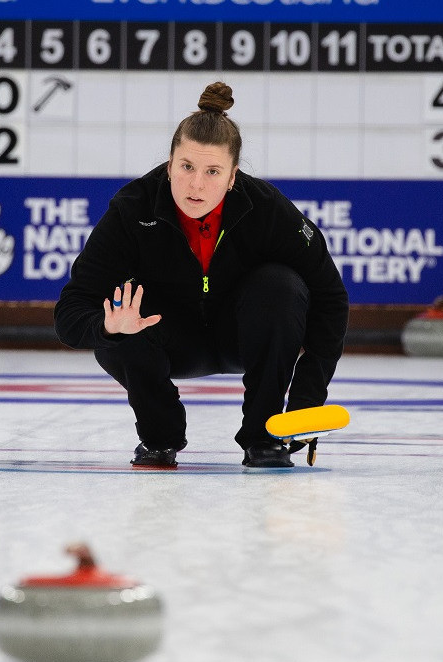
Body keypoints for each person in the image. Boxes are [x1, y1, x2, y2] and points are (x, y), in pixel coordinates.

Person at [54, 82, 349, 470]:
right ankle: (159, 438)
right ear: (169, 164)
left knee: (283, 286)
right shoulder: (131, 209)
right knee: (125, 316)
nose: (196, 184)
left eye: (213, 171)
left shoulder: (267, 209)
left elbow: (331, 297)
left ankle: (264, 438)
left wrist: (305, 403)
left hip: (244, 335)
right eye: (187, 167)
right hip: (169, 339)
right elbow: (70, 311)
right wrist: (107, 328)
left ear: (232, 177)